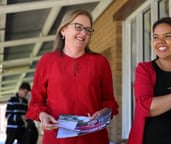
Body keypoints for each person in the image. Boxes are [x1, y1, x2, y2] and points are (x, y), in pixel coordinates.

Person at [26, 9, 119, 144]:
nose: (83, 33)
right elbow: (36, 103)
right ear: (63, 30)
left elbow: (110, 102)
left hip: (93, 139)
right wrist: (42, 115)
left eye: (88, 30)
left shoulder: (100, 62)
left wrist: (104, 112)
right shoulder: (47, 61)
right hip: (57, 139)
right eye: (78, 27)